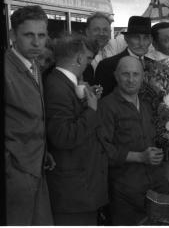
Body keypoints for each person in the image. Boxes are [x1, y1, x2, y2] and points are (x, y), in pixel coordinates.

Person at [44, 34, 108, 225]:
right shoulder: (57, 86)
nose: (88, 64)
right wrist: (92, 109)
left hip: (80, 187)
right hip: (73, 191)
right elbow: (63, 136)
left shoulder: (63, 83)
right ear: (79, 58)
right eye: (88, 59)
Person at [98, 56, 169, 225]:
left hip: (157, 185)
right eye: (125, 74)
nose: (131, 80)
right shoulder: (106, 106)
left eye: (136, 74)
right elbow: (102, 150)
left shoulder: (147, 105)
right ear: (116, 76)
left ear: (143, 77)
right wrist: (139, 157)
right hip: (125, 191)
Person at [5, 5, 54, 225]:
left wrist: (43, 150)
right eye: (29, 35)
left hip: (35, 168)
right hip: (15, 175)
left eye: (41, 35)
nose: (36, 43)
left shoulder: (33, 65)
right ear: (12, 35)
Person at [94, 16, 155, 99]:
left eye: (146, 38)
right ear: (126, 38)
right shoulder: (107, 65)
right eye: (136, 37)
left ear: (151, 40)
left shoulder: (155, 66)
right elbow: (102, 102)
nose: (141, 43)